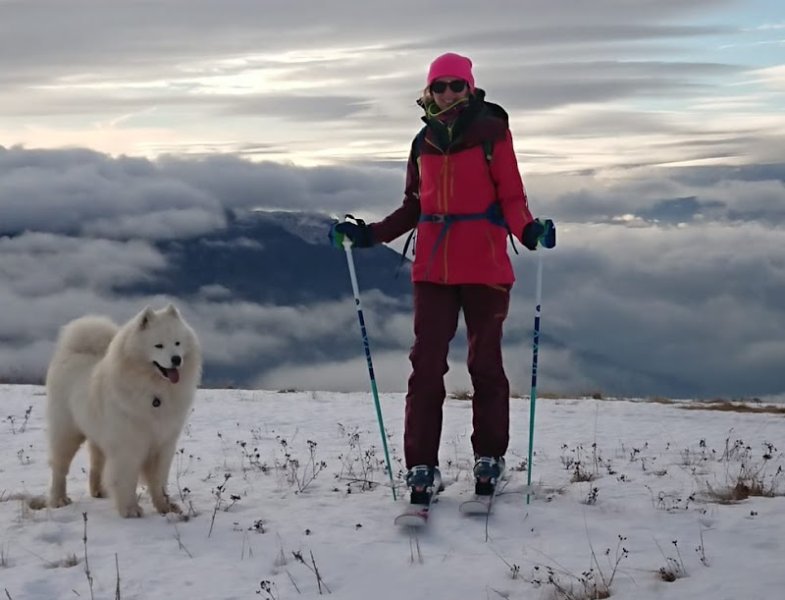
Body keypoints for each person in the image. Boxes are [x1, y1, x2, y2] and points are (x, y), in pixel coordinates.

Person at [330, 52, 554, 504]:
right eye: (440, 86)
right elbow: (415, 205)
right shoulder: (423, 141)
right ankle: (421, 467)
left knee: (484, 364)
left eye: (456, 85)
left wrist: (528, 230)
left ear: (469, 88)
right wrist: (369, 235)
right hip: (432, 268)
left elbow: (511, 196)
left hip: (486, 266)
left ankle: (489, 457)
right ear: (428, 91)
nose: (448, 93)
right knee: (425, 365)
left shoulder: (492, 134)